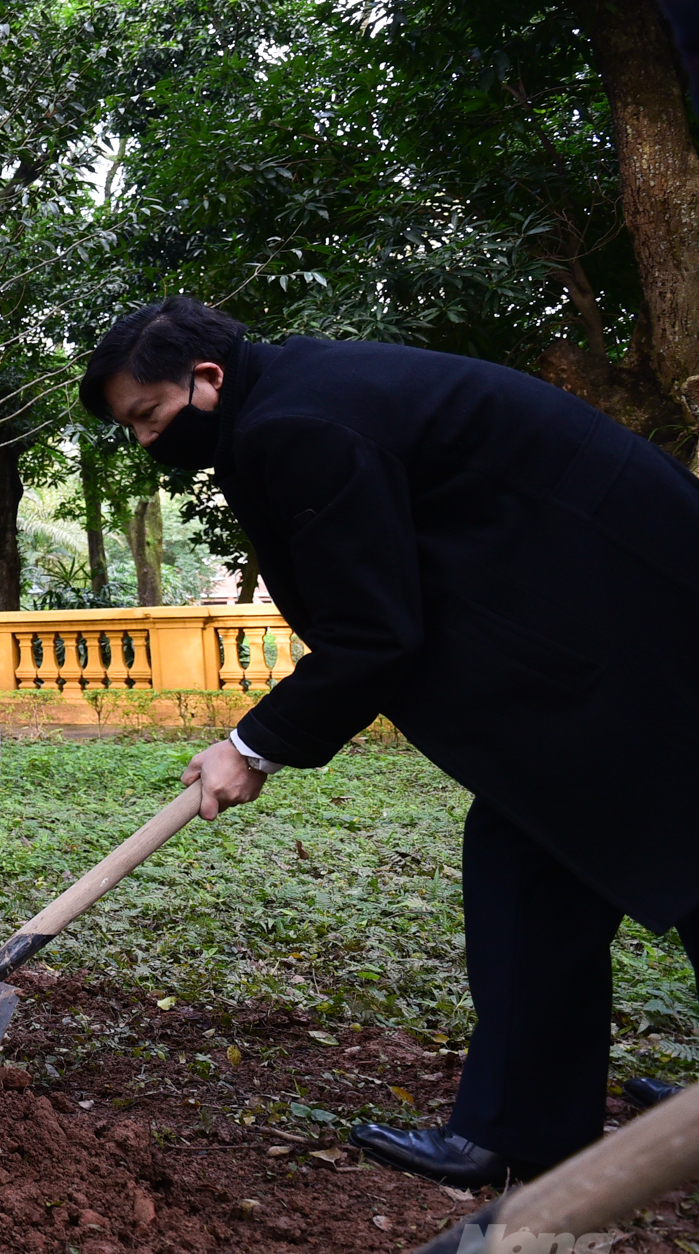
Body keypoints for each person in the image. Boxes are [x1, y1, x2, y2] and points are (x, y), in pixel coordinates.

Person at [80, 295, 699, 1186]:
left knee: (539, 857)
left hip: (637, 631)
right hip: (619, 621)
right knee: (540, 855)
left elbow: (374, 631)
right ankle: (525, 1125)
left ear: (207, 379)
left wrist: (251, 746)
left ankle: (519, 1130)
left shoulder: (295, 424)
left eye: (149, 416)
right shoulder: (300, 391)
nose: (145, 443)